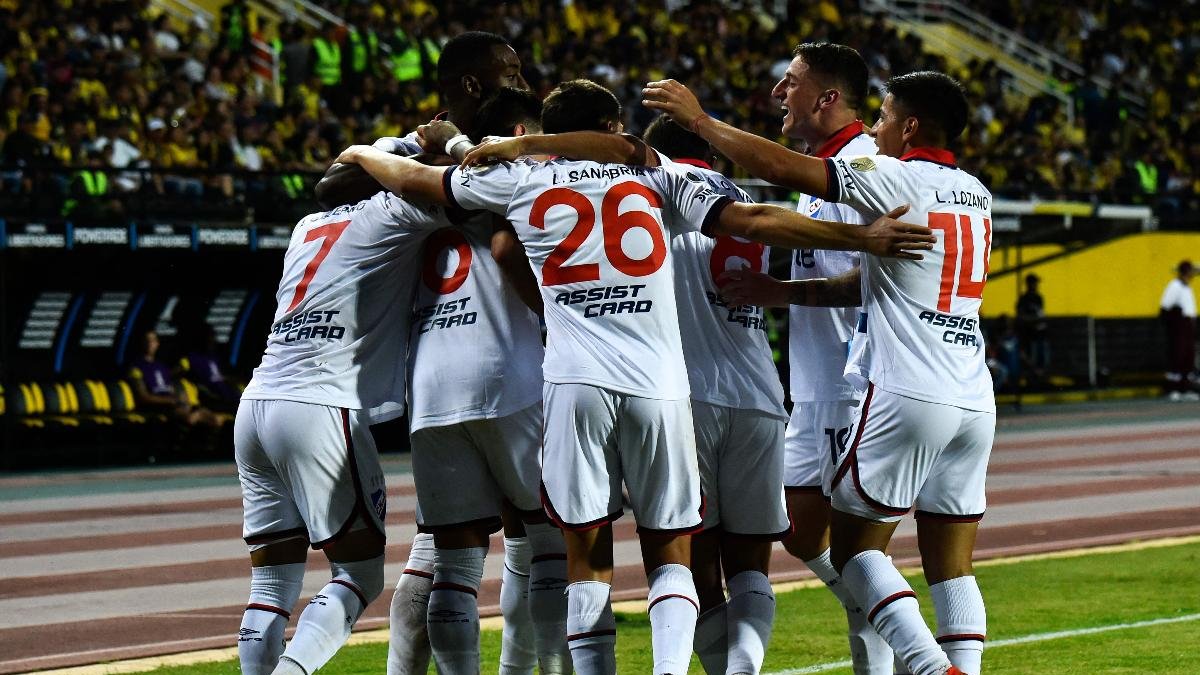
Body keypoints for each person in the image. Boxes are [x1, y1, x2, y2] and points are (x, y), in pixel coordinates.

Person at [335, 78, 932, 675]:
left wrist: (366, 153)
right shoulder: (655, 171)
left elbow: (418, 182)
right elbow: (751, 220)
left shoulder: (521, 177)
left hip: (574, 387)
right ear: (613, 126)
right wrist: (861, 236)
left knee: (586, 555)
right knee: (670, 555)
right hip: (663, 387)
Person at [644, 71, 993, 675]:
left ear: (908, 126)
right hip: (972, 390)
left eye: (883, 118)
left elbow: (780, 174)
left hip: (891, 388)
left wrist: (698, 120)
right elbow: (877, 278)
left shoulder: (886, 173)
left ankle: (932, 669)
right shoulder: (977, 191)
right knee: (946, 563)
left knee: (857, 551)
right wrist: (783, 290)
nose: (875, 130)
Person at [312, 32, 542, 675]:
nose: (521, 79)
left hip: (440, 380)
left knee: (440, 554)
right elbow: (328, 190)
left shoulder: (484, 149)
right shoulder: (438, 153)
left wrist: (418, 167)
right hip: (506, 366)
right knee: (532, 540)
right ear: (473, 84)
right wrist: (416, 153)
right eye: (510, 70)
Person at [233, 185, 460, 675]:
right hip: (319, 404)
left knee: (271, 583)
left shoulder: (307, 226)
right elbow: (458, 194)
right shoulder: (392, 210)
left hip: (255, 403)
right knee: (359, 573)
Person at [405, 88, 571, 675]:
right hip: (509, 373)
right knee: (549, 540)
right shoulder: (522, 182)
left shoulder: (418, 189)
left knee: (453, 563)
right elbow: (505, 245)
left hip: (429, 384)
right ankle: (552, 670)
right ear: (522, 131)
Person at [641, 114, 791, 675]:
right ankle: (745, 667)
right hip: (759, 392)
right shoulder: (742, 199)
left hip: (689, 396)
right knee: (751, 565)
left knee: (697, 565)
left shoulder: (661, 192)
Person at [1160, 260, 1197, 401]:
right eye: (1190, 271)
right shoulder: (1174, 286)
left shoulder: (1187, 288)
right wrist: (1173, 329)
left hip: (1188, 327)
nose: (1192, 274)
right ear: (1184, 272)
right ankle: (1172, 389)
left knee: (1188, 358)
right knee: (1177, 357)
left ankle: (1185, 389)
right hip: (1179, 328)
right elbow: (1164, 308)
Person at [1015, 273, 1049, 387]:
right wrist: (1033, 320)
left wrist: (1035, 320)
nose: (1036, 285)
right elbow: (1021, 317)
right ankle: (1032, 382)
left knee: (1042, 359)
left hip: (1040, 333)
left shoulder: (1038, 297)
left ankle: (1039, 380)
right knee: (1031, 359)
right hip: (1029, 335)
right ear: (1029, 283)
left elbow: (1041, 315)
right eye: (1034, 283)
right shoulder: (1024, 299)